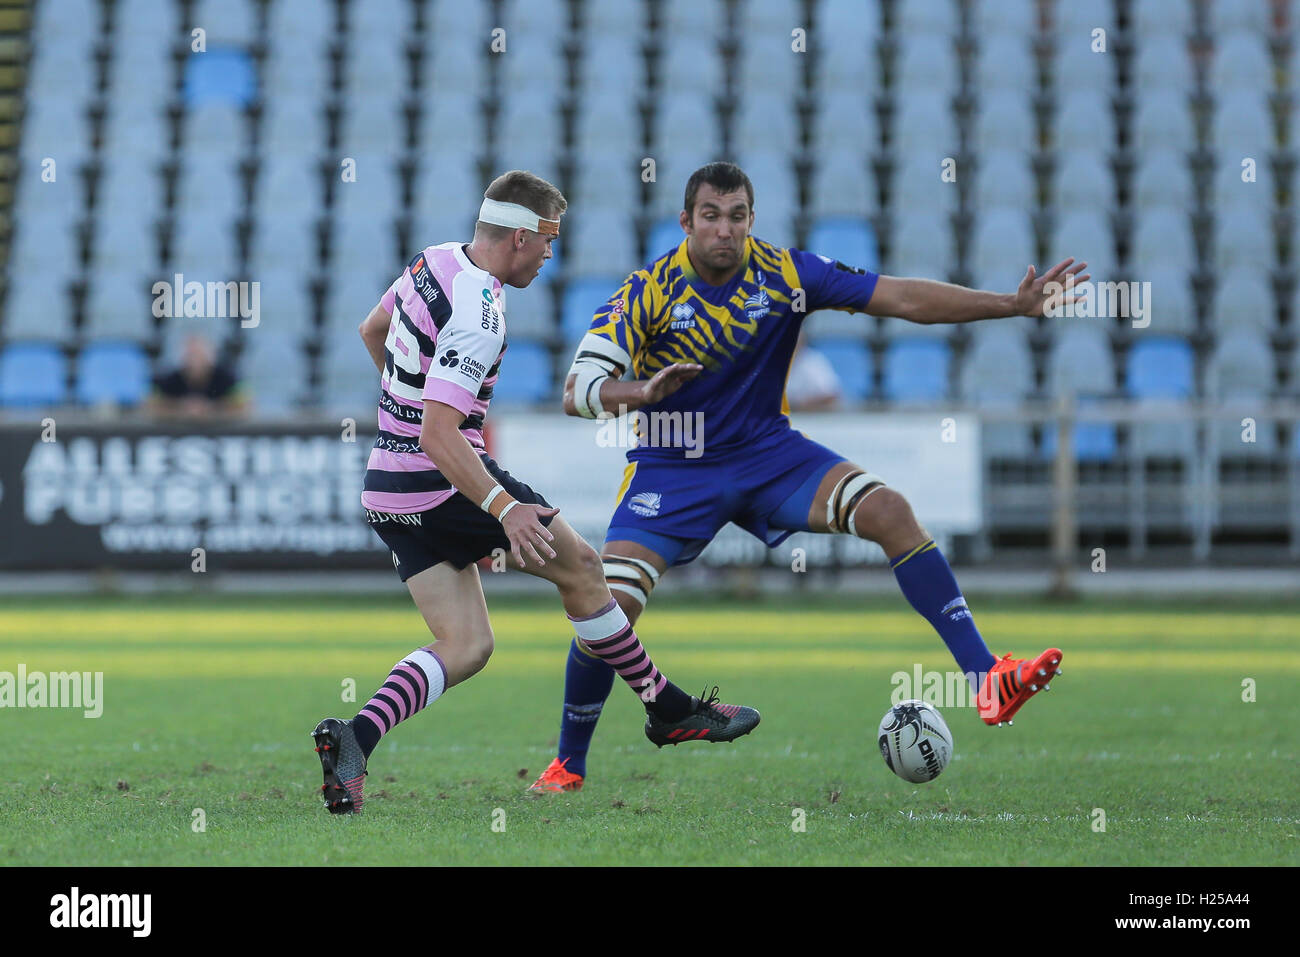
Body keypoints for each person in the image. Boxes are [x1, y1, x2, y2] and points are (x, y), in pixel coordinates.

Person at [527, 162, 1081, 793]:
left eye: (737, 217)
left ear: (751, 221)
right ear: (686, 222)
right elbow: (578, 392)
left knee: (890, 512)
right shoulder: (646, 292)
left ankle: (987, 680)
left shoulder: (786, 274)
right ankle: (568, 763)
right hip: (672, 468)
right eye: (711, 216)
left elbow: (899, 298)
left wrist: (1009, 305)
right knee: (610, 606)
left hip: (769, 456)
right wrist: (641, 390)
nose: (725, 231)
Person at [310, 170, 759, 814]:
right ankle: (668, 709)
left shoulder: (431, 261)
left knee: (466, 646)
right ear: (519, 237)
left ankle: (355, 738)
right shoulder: (482, 312)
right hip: (444, 480)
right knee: (582, 569)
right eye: (547, 240)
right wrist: (504, 507)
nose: (551, 255)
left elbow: (371, 333)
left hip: (389, 486)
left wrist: (408, 405)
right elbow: (442, 435)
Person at [147, 333, 248, 418]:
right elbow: (150, 406)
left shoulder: (226, 378)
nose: (195, 361)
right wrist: (182, 407)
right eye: (191, 355)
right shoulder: (170, 379)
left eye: (199, 355)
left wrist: (210, 408)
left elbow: (246, 406)